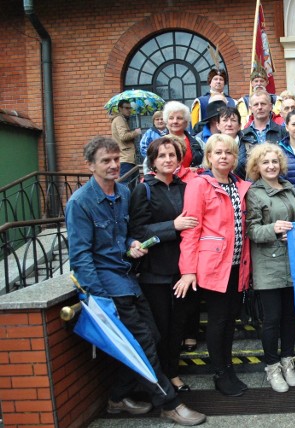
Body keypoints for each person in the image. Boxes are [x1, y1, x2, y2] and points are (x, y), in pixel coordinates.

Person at [66, 136, 206, 426]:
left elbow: (130, 233)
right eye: (106, 160)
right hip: (108, 286)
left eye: (117, 159)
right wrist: (101, 301)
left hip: (129, 278)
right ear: (90, 165)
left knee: (151, 338)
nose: (114, 165)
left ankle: (118, 396)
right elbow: (80, 258)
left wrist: (132, 244)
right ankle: (169, 403)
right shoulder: (80, 203)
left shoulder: (123, 192)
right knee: (143, 341)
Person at [174, 134, 251, 398]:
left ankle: (228, 368)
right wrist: (188, 270)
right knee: (218, 321)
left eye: (228, 153)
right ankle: (220, 373)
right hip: (213, 264)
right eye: (217, 153)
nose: (223, 157)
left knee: (230, 319)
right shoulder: (199, 185)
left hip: (236, 264)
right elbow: (191, 230)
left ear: (234, 158)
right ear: (208, 157)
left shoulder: (239, 184)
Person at [129, 137, 199, 393]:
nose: (168, 159)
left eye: (172, 155)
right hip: (155, 272)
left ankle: (173, 373)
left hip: (183, 269)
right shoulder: (143, 189)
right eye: (162, 156)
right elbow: (138, 231)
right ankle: (162, 378)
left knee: (178, 325)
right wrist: (172, 227)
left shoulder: (185, 187)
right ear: (153, 161)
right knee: (162, 327)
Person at [245, 144, 295, 393]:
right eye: (265, 162)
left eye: (274, 161)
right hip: (268, 264)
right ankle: (271, 366)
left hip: (293, 262)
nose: (270, 166)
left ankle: (287, 360)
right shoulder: (254, 193)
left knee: (290, 317)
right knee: (272, 319)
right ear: (256, 167)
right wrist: (274, 229)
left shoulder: (291, 190)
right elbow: (252, 230)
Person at [237, 90, 287, 178]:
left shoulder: (282, 132)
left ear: (271, 106)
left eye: (263, 104)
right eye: (256, 104)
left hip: (278, 183)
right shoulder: (243, 135)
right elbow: (239, 165)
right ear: (250, 108)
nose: (259, 107)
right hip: (252, 187)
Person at [164, 101, 204, 171]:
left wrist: (197, 169)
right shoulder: (158, 143)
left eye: (179, 118)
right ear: (166, 121)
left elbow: (209, 161)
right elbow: (149, 167)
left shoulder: (198, 142)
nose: (175, 121)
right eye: (171, 118)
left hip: (193, 180)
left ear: (186, 122)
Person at [110, 100, 141, 177]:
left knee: (132, 184)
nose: (129, 110)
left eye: (130, 108)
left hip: (128, 158)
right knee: (126, 184)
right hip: (126, 158)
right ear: (120, 108)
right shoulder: (119, 119)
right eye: (126, 108)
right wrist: (135, 132)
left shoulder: (123, 119)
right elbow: (123, 136)